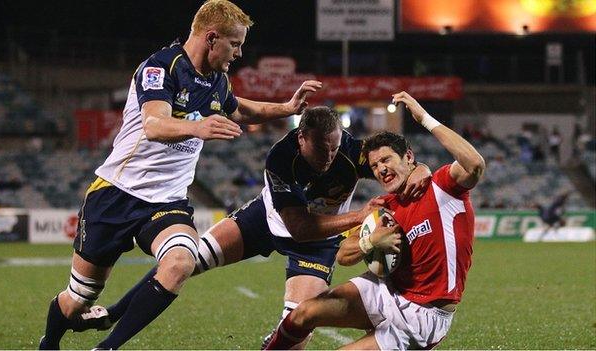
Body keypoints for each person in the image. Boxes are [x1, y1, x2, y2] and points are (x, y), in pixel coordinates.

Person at [39, 1, 323, 349]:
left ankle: (107, 348)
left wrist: (287, 108)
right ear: (211, 37)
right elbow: (154, 124)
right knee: (78, 298)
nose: (239, 52)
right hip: (116, 194)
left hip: (166, 202)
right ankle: (48, 344)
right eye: (235, 44)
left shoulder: (217, 80)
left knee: (180, 261)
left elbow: (240, 108)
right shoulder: (160, 67)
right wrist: (198, 126)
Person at [79, 106, 432, 348]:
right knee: (186, 259)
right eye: (321, 149)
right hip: (268, 220)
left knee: (298, 326)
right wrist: (359, 216)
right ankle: (114, 313)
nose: (329, 158)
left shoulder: (351, 152)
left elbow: (396, 165)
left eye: (334, 148)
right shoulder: (280, 158)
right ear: (301, 139)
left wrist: (421, 170)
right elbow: (299, 226)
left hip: (319, 240)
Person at [264, 91, 486, 350]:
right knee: (303, 314)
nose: (380, 169)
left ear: (409, 157)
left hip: (423, 315)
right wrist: (370, 241)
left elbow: (475, 165)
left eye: (386, 160)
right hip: (385, 290)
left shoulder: (442, 187)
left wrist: (423, 118)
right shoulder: (384, 207)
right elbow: (343, 255)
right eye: (374, 165)